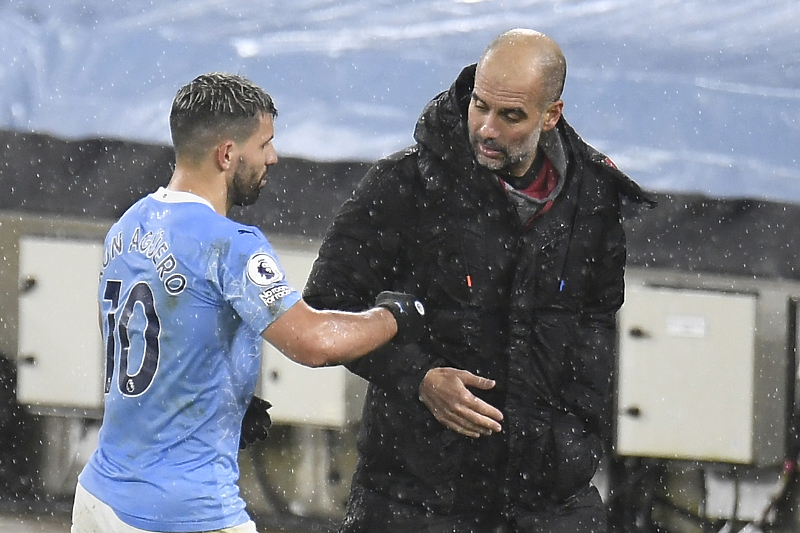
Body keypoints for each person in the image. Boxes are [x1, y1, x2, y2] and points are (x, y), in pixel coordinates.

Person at [303, 29, 653, 532]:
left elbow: (596, 324)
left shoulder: (592, 201)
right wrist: (419, 377)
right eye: (479, 105)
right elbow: (324, 310)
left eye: (510, 116)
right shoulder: (405, 186)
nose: (486, 128)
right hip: (415, 499)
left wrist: (574, 434)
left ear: (551, 115)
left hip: (548, 500)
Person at [70, 72, 424, 533]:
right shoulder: (229, 245)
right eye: (264, 144)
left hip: (101, 495)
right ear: (226, 154)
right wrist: (394, 316)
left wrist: (223, 405)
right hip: (183, 512)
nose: (273, 158)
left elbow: (155, 347)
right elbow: (313, 341)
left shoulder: (128, 225)